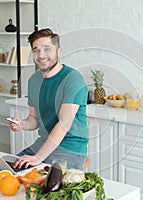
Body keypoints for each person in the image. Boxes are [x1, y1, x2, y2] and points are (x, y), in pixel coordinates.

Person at [9, 28, 88, 170]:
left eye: (47, 49)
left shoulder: (73, 79)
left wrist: (38, 158)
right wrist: (22, 124)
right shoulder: (34, 80)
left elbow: (64, 124)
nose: (41, 55)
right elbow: (34, 119)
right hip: (42, 144)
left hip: (70, 148)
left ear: (59, 52)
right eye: (36, 50)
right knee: (9, 170)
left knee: (46, 186)